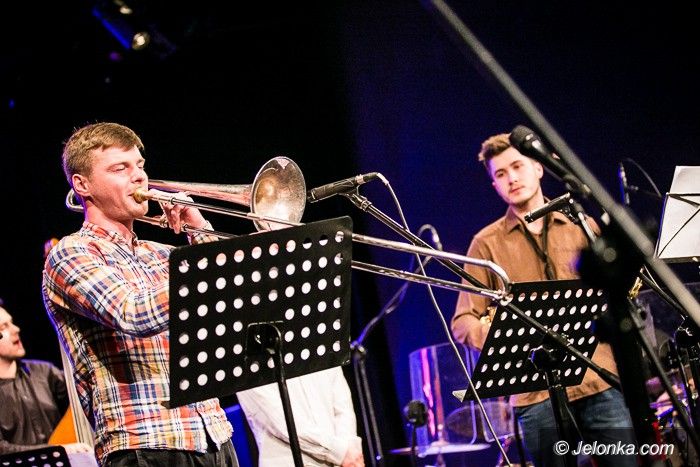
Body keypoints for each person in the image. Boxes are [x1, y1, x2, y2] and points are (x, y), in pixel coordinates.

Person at [42, 122, 238, 467]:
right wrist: (200, 268)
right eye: (121, 168)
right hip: (144, 443)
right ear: (82, 185)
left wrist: (200, 230)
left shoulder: (159, 254)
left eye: (140, 165)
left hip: (213, 435)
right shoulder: (71, 254)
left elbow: (229, 296)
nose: (140, 177)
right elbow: (134, 313)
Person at [451, 132, 637, 467]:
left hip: (598, 380)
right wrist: (503, 337)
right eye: (500, 174)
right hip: (534, 396)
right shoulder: (484, 243)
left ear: (538, 167)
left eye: (517, 166)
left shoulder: (581, 223)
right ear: (494, 185)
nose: (511, 178)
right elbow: (463, 322)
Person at [0, 300, 92, 455]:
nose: (16, 329)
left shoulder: (44, 372)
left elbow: (83, 394)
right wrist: (57, 450)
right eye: (4, 327)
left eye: (12, 323)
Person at [236, 366, 364, 467]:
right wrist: (341, 452)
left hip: (343, 460)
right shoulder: (248, 365)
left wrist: (349, 448)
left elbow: (343, 405)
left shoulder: (320, 345)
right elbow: (284, 424)